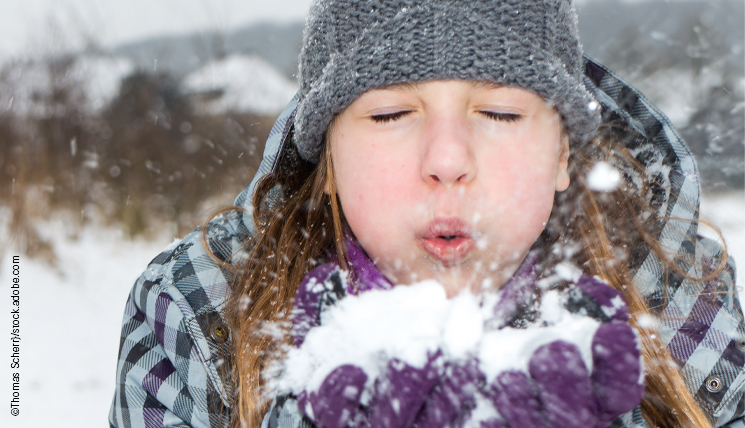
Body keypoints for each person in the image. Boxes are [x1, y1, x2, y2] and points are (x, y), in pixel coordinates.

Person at [108, 1, 745, 428]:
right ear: (328, 159)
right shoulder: (198, 319)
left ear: (562, 156)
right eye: (390, 114)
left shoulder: (677, 307)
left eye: (499, 113)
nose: (447, 160)